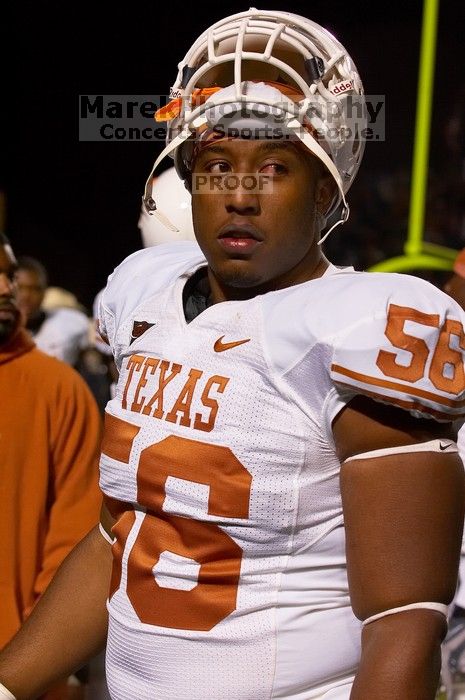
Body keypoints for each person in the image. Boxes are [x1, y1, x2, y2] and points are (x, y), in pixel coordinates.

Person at [0, 9, 464, 699]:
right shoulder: (146, 296)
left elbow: (401, 623)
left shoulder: (361, 328)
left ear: (324, 188)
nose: (238, 196)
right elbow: (117, 539)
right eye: (216, 166)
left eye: (273, 168)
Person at [0, 234, 102, 693]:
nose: (7, 287)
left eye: (7, 274)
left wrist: (28, 672)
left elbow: (77, 540)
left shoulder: (59, 389)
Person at [16, 256, 89, 366]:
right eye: (20, 288)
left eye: (35, 289)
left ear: (45, 291)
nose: (26, 295)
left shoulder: (70, 323)